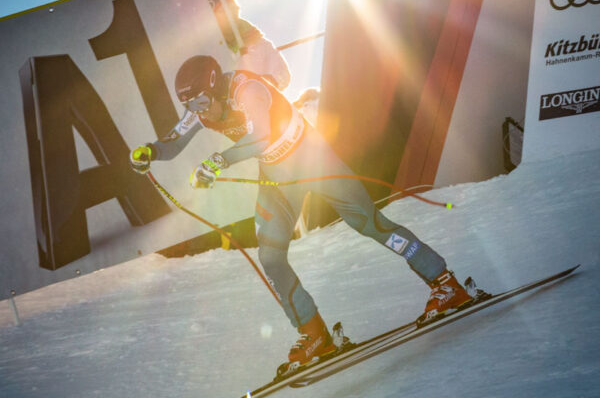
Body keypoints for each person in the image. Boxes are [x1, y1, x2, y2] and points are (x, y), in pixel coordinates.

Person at [129, 55, 473, 373]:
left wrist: (220, 160)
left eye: (202, 102)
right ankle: (315, 334)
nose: (199, 111)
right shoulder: (200, 108)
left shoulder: (248, 89)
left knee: (369, 224)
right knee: (271, 256)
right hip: (278, 179)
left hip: (313, 161)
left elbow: (261, 137)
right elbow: (173, 141)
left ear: (217, 85)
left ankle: (446, 284)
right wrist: (150, 152)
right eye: (191, 105)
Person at [209, 0, 290, 90]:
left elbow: (282, 76)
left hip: (250, 99)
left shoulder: (260, 44)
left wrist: (266, 82)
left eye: (223, 11)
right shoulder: (211, 48)